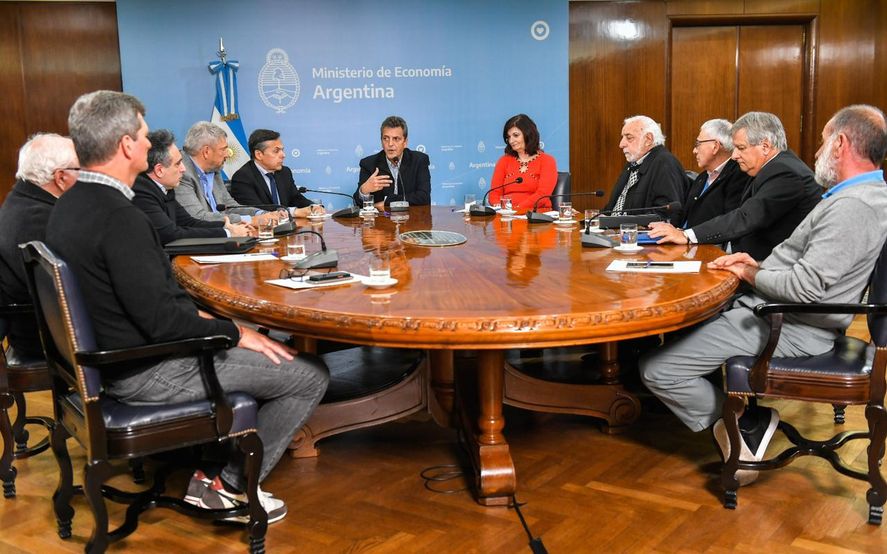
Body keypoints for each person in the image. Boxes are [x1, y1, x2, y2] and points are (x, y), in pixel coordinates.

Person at [45, 90, 329, 523]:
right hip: (145, 370)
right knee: (309, 375)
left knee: (248, 339)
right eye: (144, 135)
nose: (149, 142)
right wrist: (236, 332)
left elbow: (146, 302)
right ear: (126, 145)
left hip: (110, 362)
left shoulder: (68, 205)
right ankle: (228, 488)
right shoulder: (120, 217)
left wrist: (213, 321)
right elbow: (164, 322)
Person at [639, 105, 887, 484]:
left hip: (789, 322)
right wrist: (754, 264)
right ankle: (742, 415)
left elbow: (804, 288)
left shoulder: (853, 206)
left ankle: (746, 423)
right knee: (683, 330)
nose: (816, 151)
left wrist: (750, 272)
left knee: (658, 370)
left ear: (840, 144)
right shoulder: (864, 194)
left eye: (823, 142)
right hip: (779, 311)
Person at [648, 112, 822, 260]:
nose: (734, 155)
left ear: (765, 146)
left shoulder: (785, 172)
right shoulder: (772, 167)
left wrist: (686, 235)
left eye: (741, 148)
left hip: (773, 269)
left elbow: (746, 217)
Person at [0, 133, 79, 359]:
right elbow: (75, 290)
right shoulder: (41, 220)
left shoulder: (21, 200)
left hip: (36, 330)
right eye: (80, 169)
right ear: (61, 177)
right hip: (47, 342)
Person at [132, 129, 250, 245]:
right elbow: (170, 234)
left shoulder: (165, 188)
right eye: (177, 164)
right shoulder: (141, 193)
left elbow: (188, 222)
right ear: (159, 170)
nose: (183, 169)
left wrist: (226, 226)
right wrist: (227, 233)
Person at [176, 121, 283, 225]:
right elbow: (198, 217)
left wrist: (261, 214)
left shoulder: (214, 169)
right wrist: (251, 220)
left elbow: (230, 207)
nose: (228, 154)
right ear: (206, 152)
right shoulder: (181, 173)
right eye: (223, 149)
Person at [602, 115, 685, 223]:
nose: (621, 144)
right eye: (622, 138)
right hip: (612, 228)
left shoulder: (665, 163)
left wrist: (623, 223)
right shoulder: (634, 162)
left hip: (634, 231)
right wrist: (597, 219)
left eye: (629, 138)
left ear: (648, 139)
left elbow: (667, 213)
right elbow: (613, 207)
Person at [678, 119, 749, 229]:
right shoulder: (702, 177)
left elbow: (730, 224)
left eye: (698, 144)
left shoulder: (739, 177)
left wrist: (687, 235)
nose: (694, 151)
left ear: (715, 146)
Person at [230, 129, 314, 218]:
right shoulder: (242, 177)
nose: (283, 155)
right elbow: (256, 209)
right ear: (259, 155)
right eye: (276, 151)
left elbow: (295, 198)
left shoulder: (284, 172)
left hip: (287, 224)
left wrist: (313, 207)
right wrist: (293, 212)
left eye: (282, 150)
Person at [353, 115, 431, 210]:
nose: (390, 144)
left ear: (405, 142)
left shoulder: (419, 160)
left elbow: (424, 197)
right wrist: (364, 190)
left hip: (412, 217)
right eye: (386, 138)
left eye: (396, 139)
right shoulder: (368, 164)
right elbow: (358, 204)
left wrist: (387, 202)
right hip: (382, 219)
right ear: (381, 141)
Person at [488, 114, 557, 213]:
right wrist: (501, 209)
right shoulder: (504, 161)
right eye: (508, 137)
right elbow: (494, 193)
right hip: (507, 215)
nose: (511, 141)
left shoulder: (547, 160)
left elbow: (542, 195)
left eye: (516, 135)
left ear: (528, 134)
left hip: (536, 215)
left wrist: (517, 209)